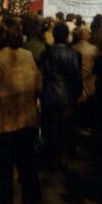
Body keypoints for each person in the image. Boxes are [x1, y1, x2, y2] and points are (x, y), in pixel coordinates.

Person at [0, 18, 42, 204]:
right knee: (28, 167)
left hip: (3, 121)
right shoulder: (28, 56)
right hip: (27, 119)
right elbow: (38, 86)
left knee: (3, 170)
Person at [39, 21, 82, 170]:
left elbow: (42, 76)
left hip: (50, 95)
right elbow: (77, 77)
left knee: (51, 130)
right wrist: (76, 94)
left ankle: (52, 158)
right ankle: (63, 159)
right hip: (67, 96)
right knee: (66, 129)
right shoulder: (73, 54)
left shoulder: (46, 54)